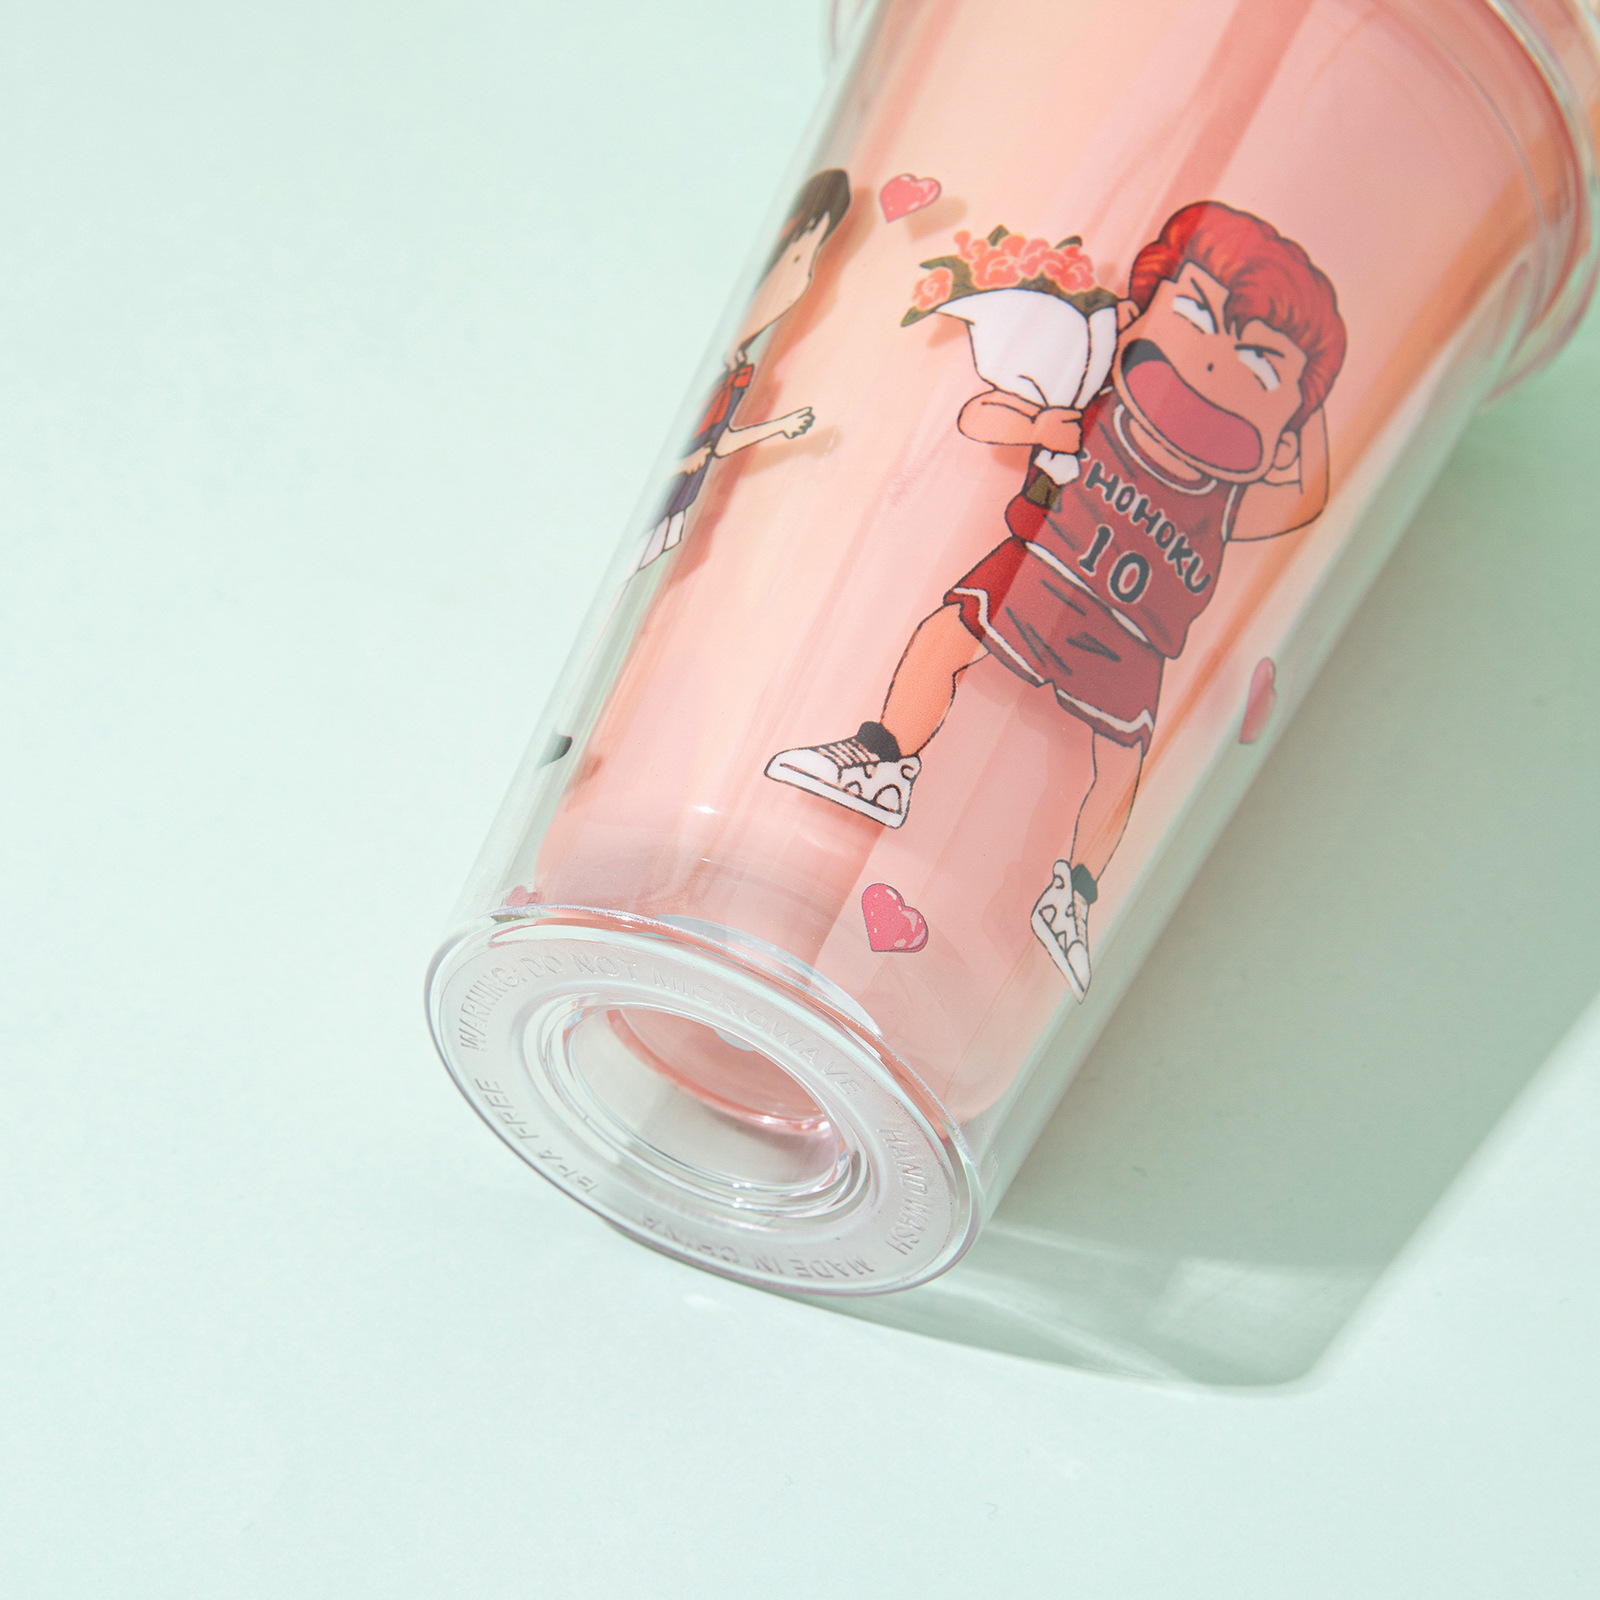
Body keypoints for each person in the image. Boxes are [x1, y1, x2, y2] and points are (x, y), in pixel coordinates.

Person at [766, 201, 1347, 998]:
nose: (1213, 362)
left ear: (1283, 438)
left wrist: (1305, 407)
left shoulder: (1230, 500)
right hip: (1034, 577)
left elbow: (1306, 496)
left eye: (1260, 363)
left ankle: (1071, 894)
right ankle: (882, 759)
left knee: (1120, 767)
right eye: (1193, 316)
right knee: (948, 635)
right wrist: (1043, 424)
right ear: (1134, 321)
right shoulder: (1093, 410)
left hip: (1130, 638)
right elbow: (981, 414)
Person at [638, 168, 853, 569]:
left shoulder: (735, 373)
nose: (803, 279)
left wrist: (781, 427)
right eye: (798, 258)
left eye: (809, 260)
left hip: (676, 510)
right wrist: (681, 464)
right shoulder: (694, 366)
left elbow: (717, 444)